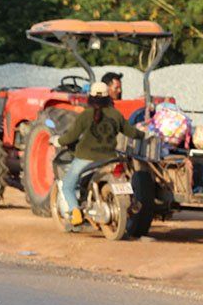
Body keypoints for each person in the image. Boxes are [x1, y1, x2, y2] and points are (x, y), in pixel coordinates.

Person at [55, 80, 145, 226]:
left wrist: (58, 141)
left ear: (90, 97)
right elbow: (130, 132)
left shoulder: (86, 115)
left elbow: (71, 137)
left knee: (67, 185)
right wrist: (144, 135)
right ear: (108, 97)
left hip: (85, 159)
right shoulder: (116, 114)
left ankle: (75, 212)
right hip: (110, 158)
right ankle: (132, 201)